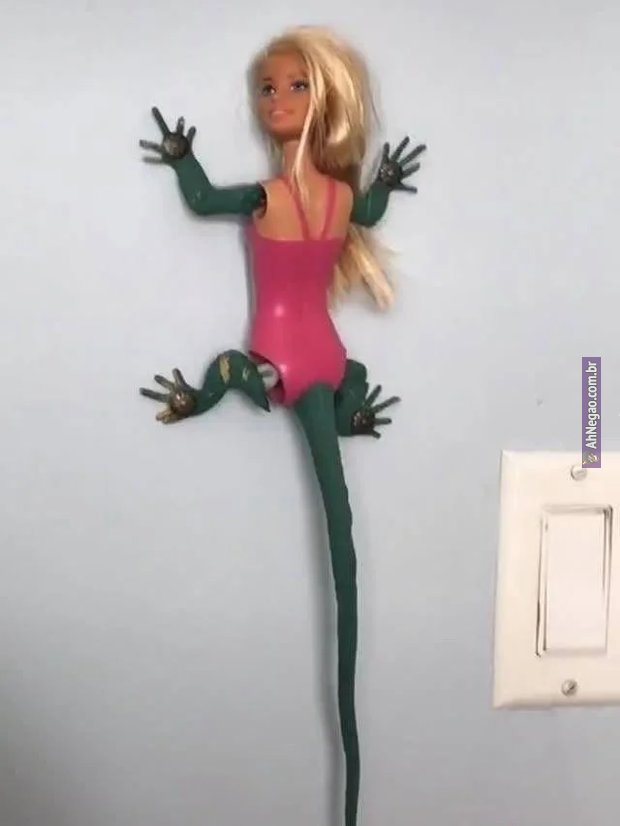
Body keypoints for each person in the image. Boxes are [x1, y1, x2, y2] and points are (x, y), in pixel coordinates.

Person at [139, 25, 425, 826]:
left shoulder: (283, 198)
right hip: (326, 366)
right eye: (267, 87)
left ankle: (203, 399)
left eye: (295, 86)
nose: (276, 100)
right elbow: (369, 206)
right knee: (343, 547)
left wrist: (183, 160)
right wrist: (383, 181)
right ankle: (348, 414)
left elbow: (204, 200)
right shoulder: (335, 199)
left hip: (284, 365)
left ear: (323, 97)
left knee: (231, 370)